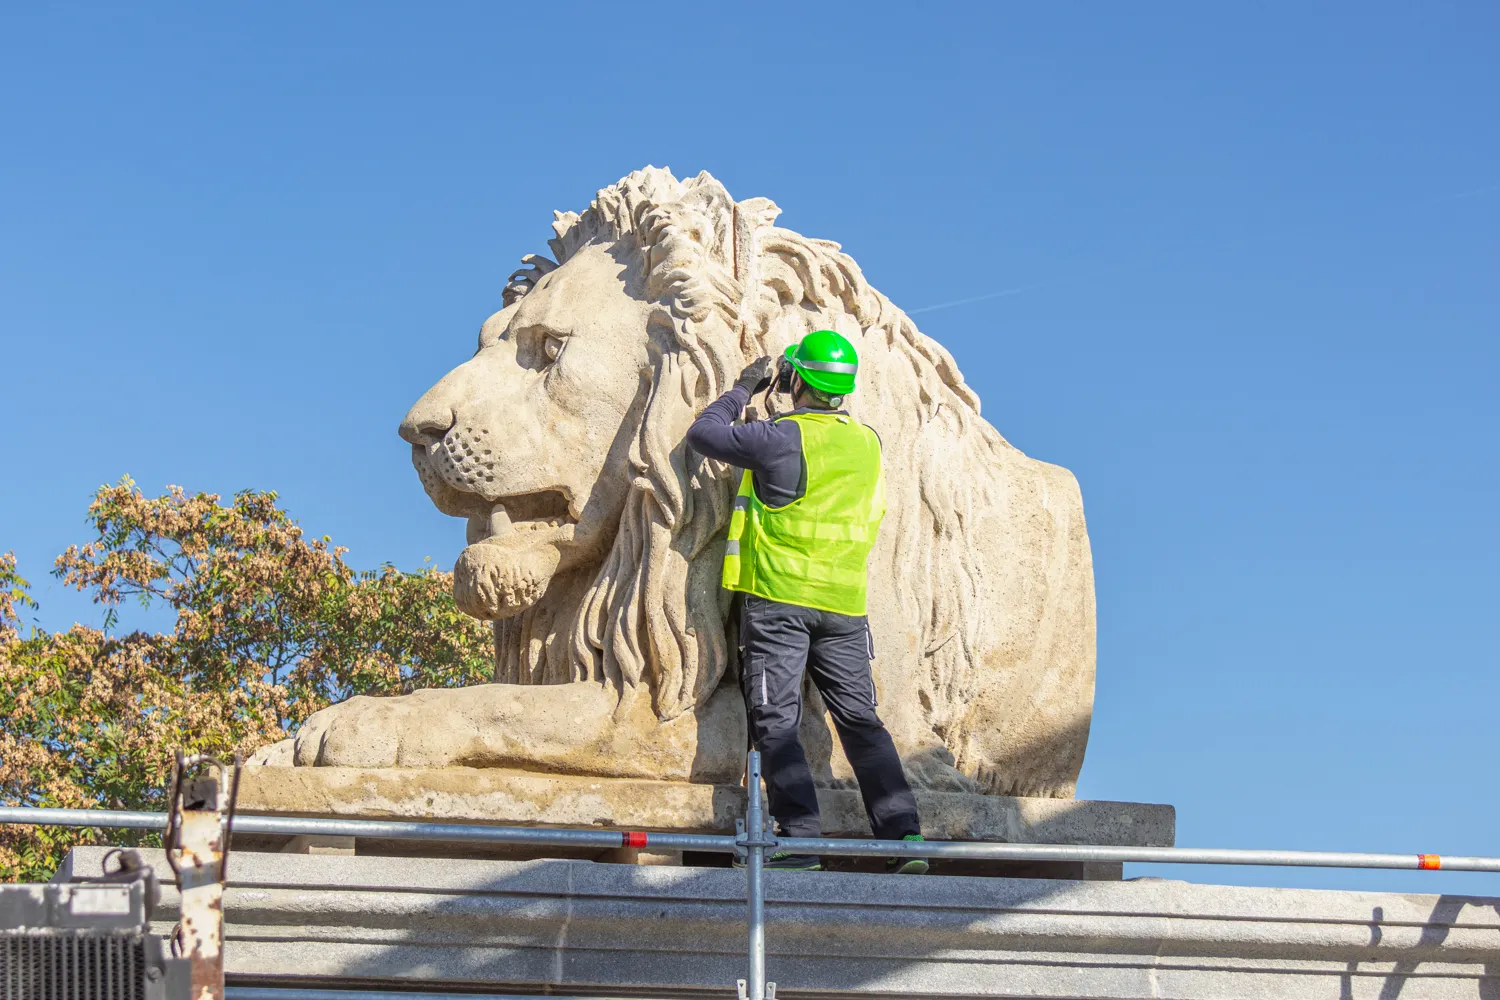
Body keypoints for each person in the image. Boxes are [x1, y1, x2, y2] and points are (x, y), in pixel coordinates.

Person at [686, 329, 927, 874]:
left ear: (795, 379)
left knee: (777, 721)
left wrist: (743, 389)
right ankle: (906, 836)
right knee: (861, 720)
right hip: (843, 605)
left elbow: (704, 434)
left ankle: (799, 840)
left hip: (778, 601)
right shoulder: (869, 443)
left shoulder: (776, 438)